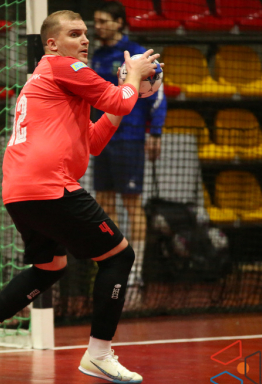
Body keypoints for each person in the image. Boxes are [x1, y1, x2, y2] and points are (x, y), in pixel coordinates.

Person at [0, 10, 161, 384]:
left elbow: (94, 140)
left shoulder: (56, 82)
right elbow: (120, 101)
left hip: (21, 190)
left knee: (50, 266)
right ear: (52, 44)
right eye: (74, 34)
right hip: (49, 184)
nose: (85, 40)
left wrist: (127, 88)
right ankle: (99, 354)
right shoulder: (64, 66)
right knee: (119, 257)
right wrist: (133, 76)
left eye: (85, 34)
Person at [91, 1, 167, 287]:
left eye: (103, 21)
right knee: (104, 202)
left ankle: (135, 273)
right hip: (101, 138)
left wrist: (155, 132)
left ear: (119, 22)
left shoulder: (137, 55)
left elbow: (158, 95)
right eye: (96, 21)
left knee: (132, 204)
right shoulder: (97, 55)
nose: (98, 27)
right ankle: (113, 266)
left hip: (130, 138)